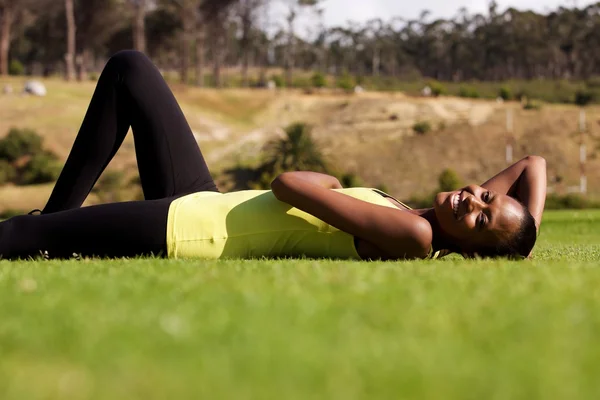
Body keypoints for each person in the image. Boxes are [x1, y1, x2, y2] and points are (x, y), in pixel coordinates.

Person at [0, 51, 546, 261]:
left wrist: (328, 181)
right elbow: (532, 165)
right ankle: (53, 215)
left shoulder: (418, 236)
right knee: (131, 71)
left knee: (23, 241)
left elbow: (289, 184)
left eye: (479, 218)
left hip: (194, 230)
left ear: (471, 249)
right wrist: (519, 235)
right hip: (209, 203)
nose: (472, 200)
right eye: (484, 196)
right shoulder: (426, 218)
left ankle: (45, 226)